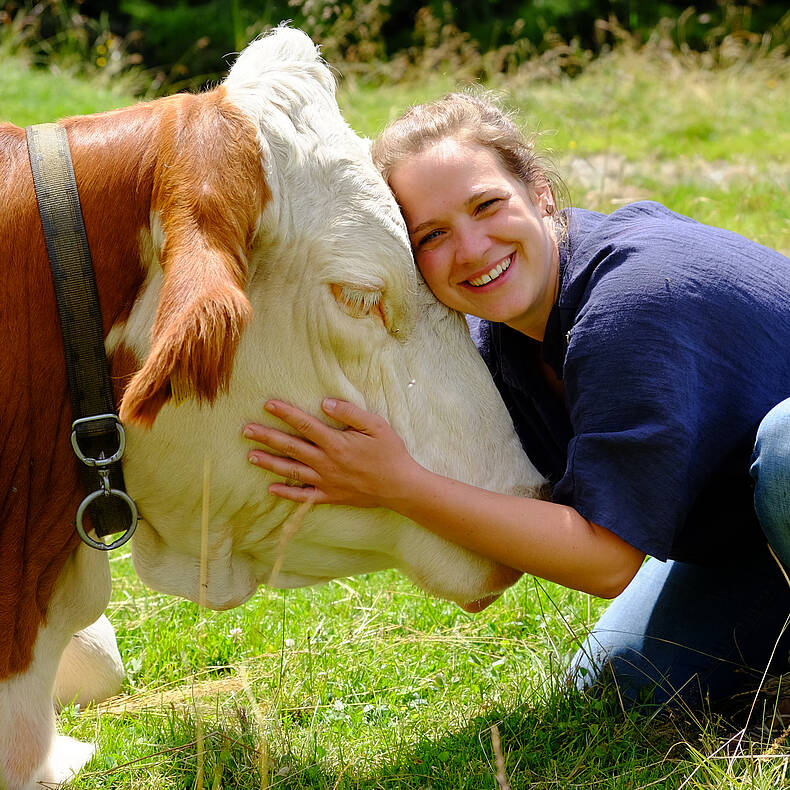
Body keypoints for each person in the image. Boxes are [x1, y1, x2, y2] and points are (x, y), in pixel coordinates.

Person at [242, 92, 790, 709]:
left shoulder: (630, 305)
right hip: (753, 539)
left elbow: (607, 561)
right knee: (619, 685)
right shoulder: (493, 342)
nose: (472, 249)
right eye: (433, 235)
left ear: (540, 191)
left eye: (487, 204)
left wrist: (400, 485)